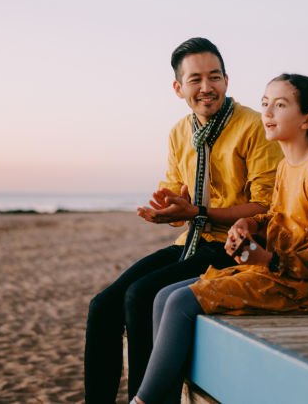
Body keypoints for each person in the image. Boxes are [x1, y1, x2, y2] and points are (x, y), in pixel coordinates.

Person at [134, 73, 308, 404]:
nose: (267, 113)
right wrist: (248, 224)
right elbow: (278, 217)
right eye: (265, 104)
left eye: (280, 105)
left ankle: (143, 401)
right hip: (282, 270)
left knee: (181, 301)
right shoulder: (287, 166)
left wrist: (269, 260)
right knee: (163, 296)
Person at [84, 37, 283, 404]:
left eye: (215, 77)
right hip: (190, 242)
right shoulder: (180, 132)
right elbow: (176, 193)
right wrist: (166, 209)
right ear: (179, 88)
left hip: (236, 248)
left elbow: (265, 209)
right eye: (195, 80)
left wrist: (196, 213)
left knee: (141, 295)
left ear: (227, 80)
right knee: (102, 306)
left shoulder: (254, 126)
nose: (206, 87)